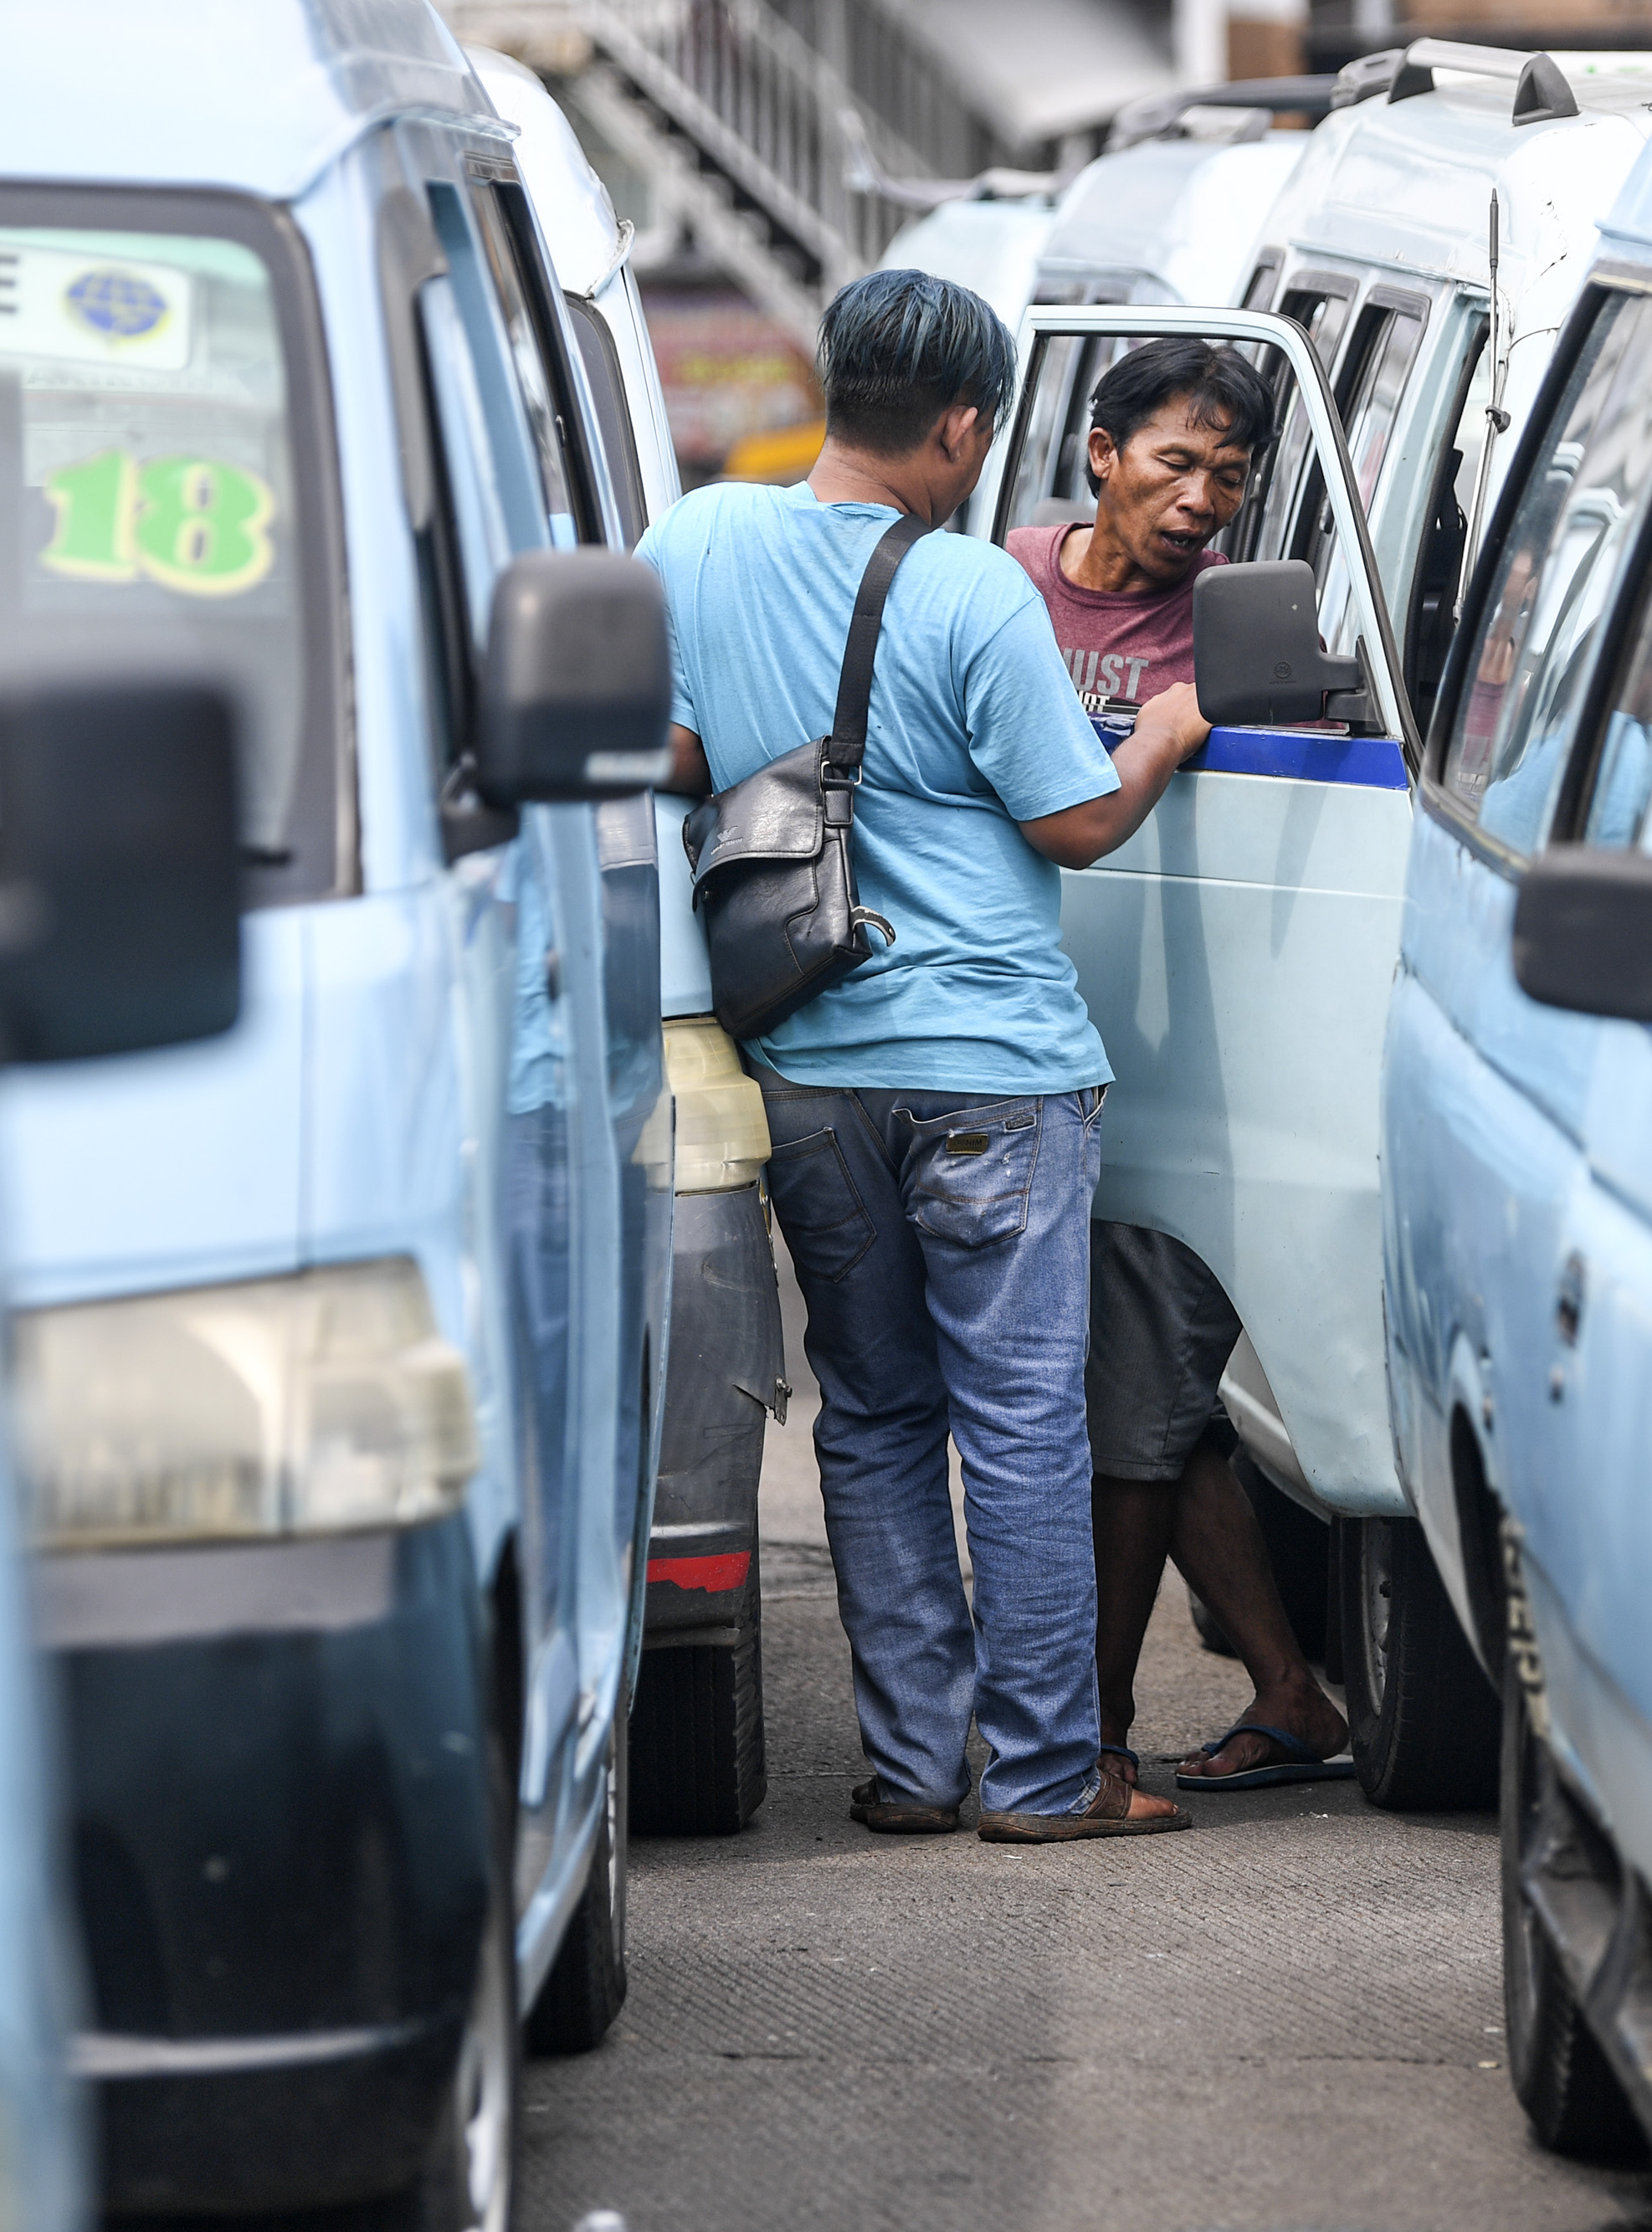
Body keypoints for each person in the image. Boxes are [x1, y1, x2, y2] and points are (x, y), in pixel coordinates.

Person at [641, 271, 1209, 1843]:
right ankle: (1038, 1780)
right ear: (964, 426)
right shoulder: (970, 589)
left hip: (808, 1064)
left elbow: (668, 750)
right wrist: (1161, 728)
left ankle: (911, 1765)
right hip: (993, 1072)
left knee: (877, 1410)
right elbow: (1072, 820)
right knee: (1022, 1421)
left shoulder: (695, 538)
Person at [1007, 339, 1356, 1797]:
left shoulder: (1236, 635)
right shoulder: (1000, 585)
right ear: (1099, 451)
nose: (1202, 495)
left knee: (1135, 1415)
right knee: (1160, 1411)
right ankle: (1290, 1689)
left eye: (1230, 474)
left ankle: (1086, 1740)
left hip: (1174, 1068)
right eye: (1174, 460)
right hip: (1017, 1040)